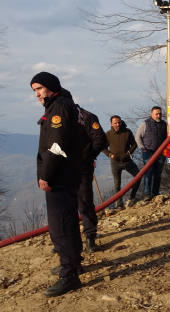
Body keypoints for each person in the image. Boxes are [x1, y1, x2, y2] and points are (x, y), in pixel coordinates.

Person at [30, 71, 83, 297]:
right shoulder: (63, 104)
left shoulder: (59, 107)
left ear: (51, 87)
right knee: (68, 220)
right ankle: (73, 263)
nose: (37, 94)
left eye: (39, 88)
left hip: (59, 177)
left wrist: (46, 175)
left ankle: (69, 274)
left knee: (61, 226)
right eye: (34, 90)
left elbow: (55, 145)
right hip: (67, 174)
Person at [75, 105, 107, 253]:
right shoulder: (56, 116)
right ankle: (69, 240)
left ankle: (90, 239)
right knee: (66, 205)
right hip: (61, 169)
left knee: (85, 202)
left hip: (81, 168)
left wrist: (89, 157)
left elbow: (100, 139)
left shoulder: (86, 116)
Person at [102, 115, 141, 208]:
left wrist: (129, 152)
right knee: (117, 184)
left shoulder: (127, 132)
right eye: (115, 122)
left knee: (138, 177)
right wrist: (109, 154)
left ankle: (132, 198)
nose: (118, 124)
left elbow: (134, 144)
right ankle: (119, 204)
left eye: (119, 122)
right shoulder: (108, 134)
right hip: (115, 162)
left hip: (127, 161)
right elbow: (103, 147)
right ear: (111, 124)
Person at [135, 106, 167, 200]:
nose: (158, 115)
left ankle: (155, 193)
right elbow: (138, 137)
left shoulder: (164, 124)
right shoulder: (145, 123)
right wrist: (142, 148)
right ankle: (147, 194)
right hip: (148, 152)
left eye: (160, 113)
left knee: (158, 174)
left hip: (161, 153)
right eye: (156, 114)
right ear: (151, 114)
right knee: (148, 173)